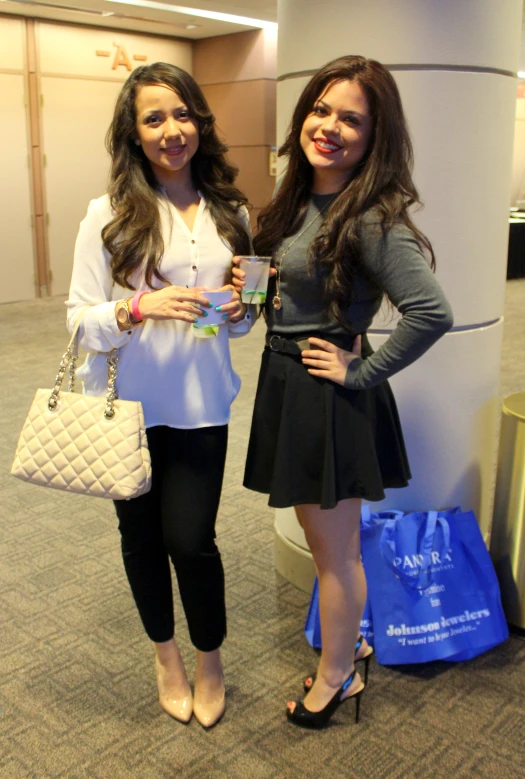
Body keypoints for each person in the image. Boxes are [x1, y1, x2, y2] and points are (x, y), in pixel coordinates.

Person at [233, 55, 454, 729]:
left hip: (325, 395)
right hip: (285, 383)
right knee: (322, 533)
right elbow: (266, 292)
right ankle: (347, 642)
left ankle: (337, 675)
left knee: (335, 551)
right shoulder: (294, 197)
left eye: (350, 119)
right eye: (320, 110)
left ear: (373, 135)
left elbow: (431, 311)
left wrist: (359, 370)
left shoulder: (370, 216)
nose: (328, 127)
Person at [66, 62, 252, 729]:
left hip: (202, 399)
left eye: (182, 114)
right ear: (134, 132)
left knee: (192, 539)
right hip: (127, 407)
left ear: (198, 120)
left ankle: (209, 658)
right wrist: (136, 307)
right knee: (141, 538)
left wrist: (236, 310)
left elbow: (239, 311)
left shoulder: (231, 210)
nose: (172, 130)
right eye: (154, 118)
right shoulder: (107, 214)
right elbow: (77, 318)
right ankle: (166, 655)